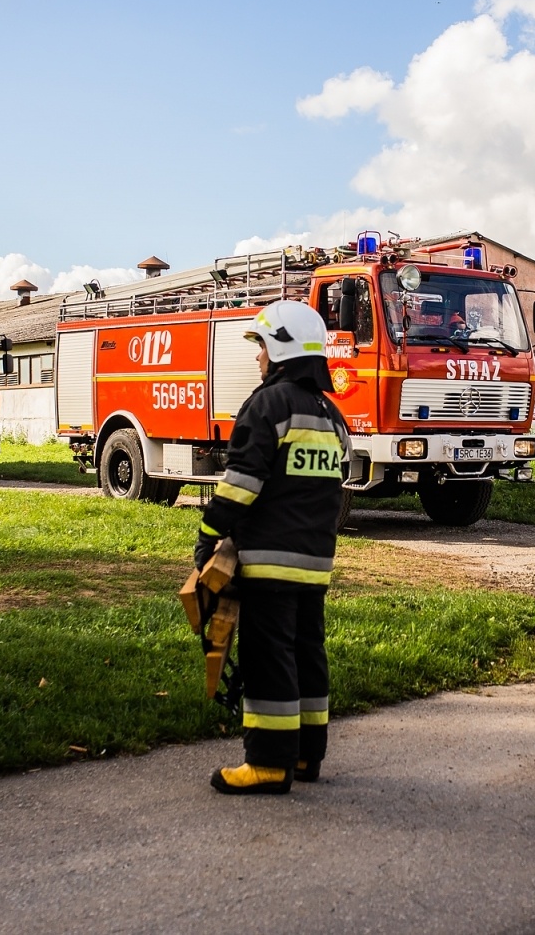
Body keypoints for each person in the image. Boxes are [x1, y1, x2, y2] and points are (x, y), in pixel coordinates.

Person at [194, 300, 351, 795]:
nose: (258, 358)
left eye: (260, 347)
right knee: (307, 654)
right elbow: (338, 480)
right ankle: (305, 755)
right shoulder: (332, 414)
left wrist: (208, 535)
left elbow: (241, 484)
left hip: (268, 561)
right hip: (315, 563)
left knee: (268, 656)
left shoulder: (267, 405)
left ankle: (267, 762)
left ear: (280, 347)